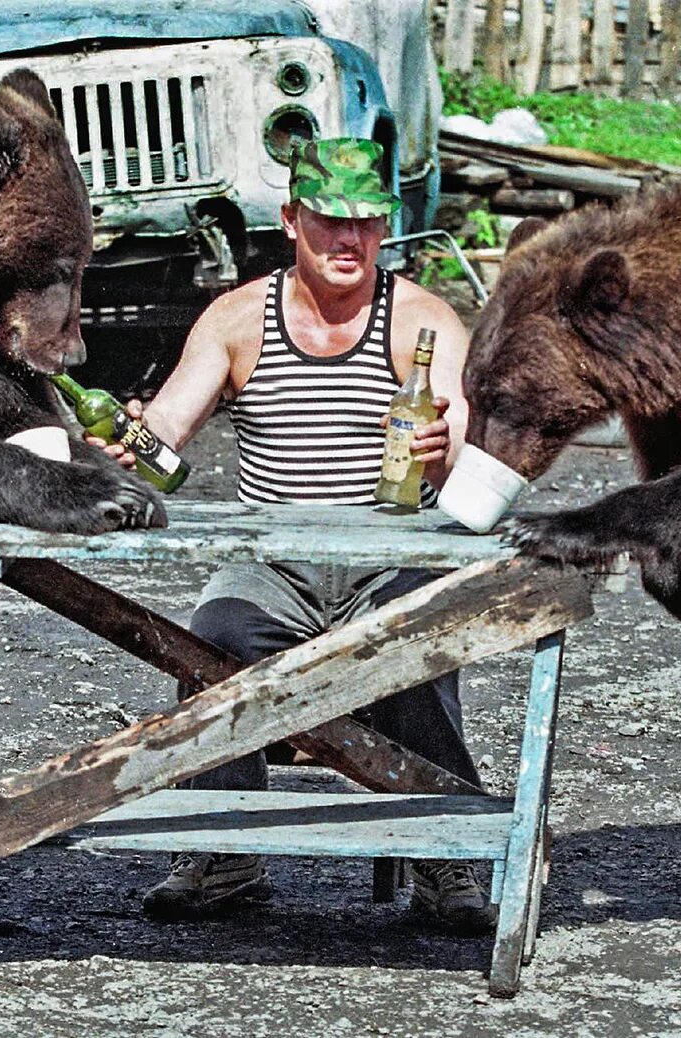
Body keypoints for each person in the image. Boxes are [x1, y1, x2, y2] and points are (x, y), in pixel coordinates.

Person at [89, 138, 495, 933]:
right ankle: (222, 848)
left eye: (367, 225)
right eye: (329, 222)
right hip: (274, 561)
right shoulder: (239, 318)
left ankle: (445, 850)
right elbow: (167, 436)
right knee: (212, 636)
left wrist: (446, 450)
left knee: (417, 643)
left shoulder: (421, 319)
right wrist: (127, 445)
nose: (349, 242)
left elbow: (460, 441)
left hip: (390, 555)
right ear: (291, 221)